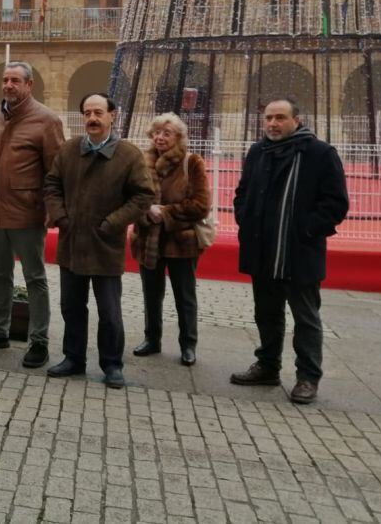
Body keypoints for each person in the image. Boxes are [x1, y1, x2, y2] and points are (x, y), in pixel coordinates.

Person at [230, 98, 348, 404]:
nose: (272, 123)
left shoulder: (320, 153)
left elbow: (336, 203)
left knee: (305, 318)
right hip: (262, 249)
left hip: (298, 251)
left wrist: (305, 229)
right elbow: (242, 191)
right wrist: (244, 217)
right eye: (268, 118)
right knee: (266, 314)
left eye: (280, 117)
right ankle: (268, 366)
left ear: (297, 119)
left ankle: (308, 376)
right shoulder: (258, 151)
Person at [43, 93, 154, 388]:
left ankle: (112, 364)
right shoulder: (68, 150)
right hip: (72, 242)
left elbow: (144, 195)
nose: (92, 118)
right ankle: (73, 358)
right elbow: (52, 184)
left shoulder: (128, 155)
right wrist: (61, 217)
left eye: (98, 113)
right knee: (71, 306)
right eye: (87, 113)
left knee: (109, 312)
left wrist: (112, 223)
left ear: (112, 115)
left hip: (106, 245)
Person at [0, 62, 65, 369]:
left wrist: (52, 210)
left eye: (15, 80)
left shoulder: (47, 120)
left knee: (34, 278)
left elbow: (57, 171)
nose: (8, 85)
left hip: (27, 213)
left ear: (29, 84)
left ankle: (39, 341)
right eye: (5, 80)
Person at [129, 113, 210, 367]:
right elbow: (131, 198)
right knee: (151, 294)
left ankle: (188, 344)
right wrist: (144, 213)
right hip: (147, 239)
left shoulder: (191, 163)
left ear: (179, 137)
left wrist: (164, 213)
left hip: (181, 241)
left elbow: (200, 206)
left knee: (184, 295)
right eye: (156, 133)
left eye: (167, 133)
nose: (160, 137)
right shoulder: (142, 163)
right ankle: (152, 339)